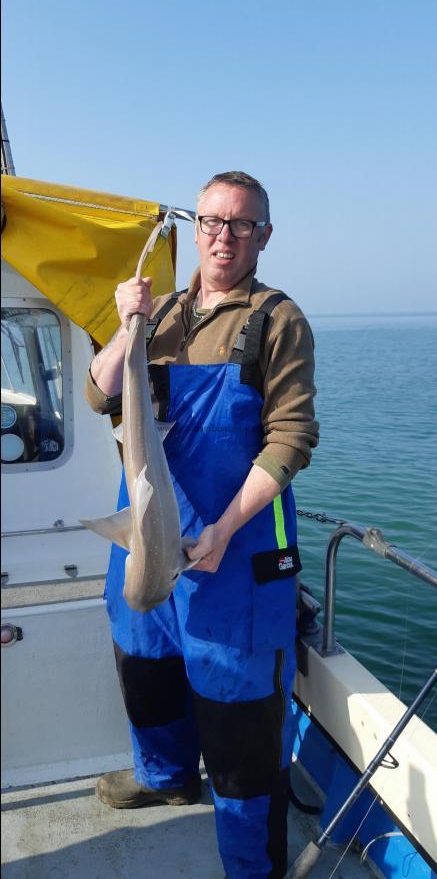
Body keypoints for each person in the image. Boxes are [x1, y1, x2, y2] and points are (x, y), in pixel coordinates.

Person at [86, 171, 319, 879]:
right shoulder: (158, 314)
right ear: (196, 228)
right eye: (213, 221)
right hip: (148, 537)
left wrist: (219, 530)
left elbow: (290, 440)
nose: (224, 235)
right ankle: (164, 776)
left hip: (233, 558)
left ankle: (250, 867)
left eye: (241, 224)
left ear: (263, 236)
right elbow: (100, 394)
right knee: (146, 676)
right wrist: (125, 323)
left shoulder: (276, 320)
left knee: (241, 726)